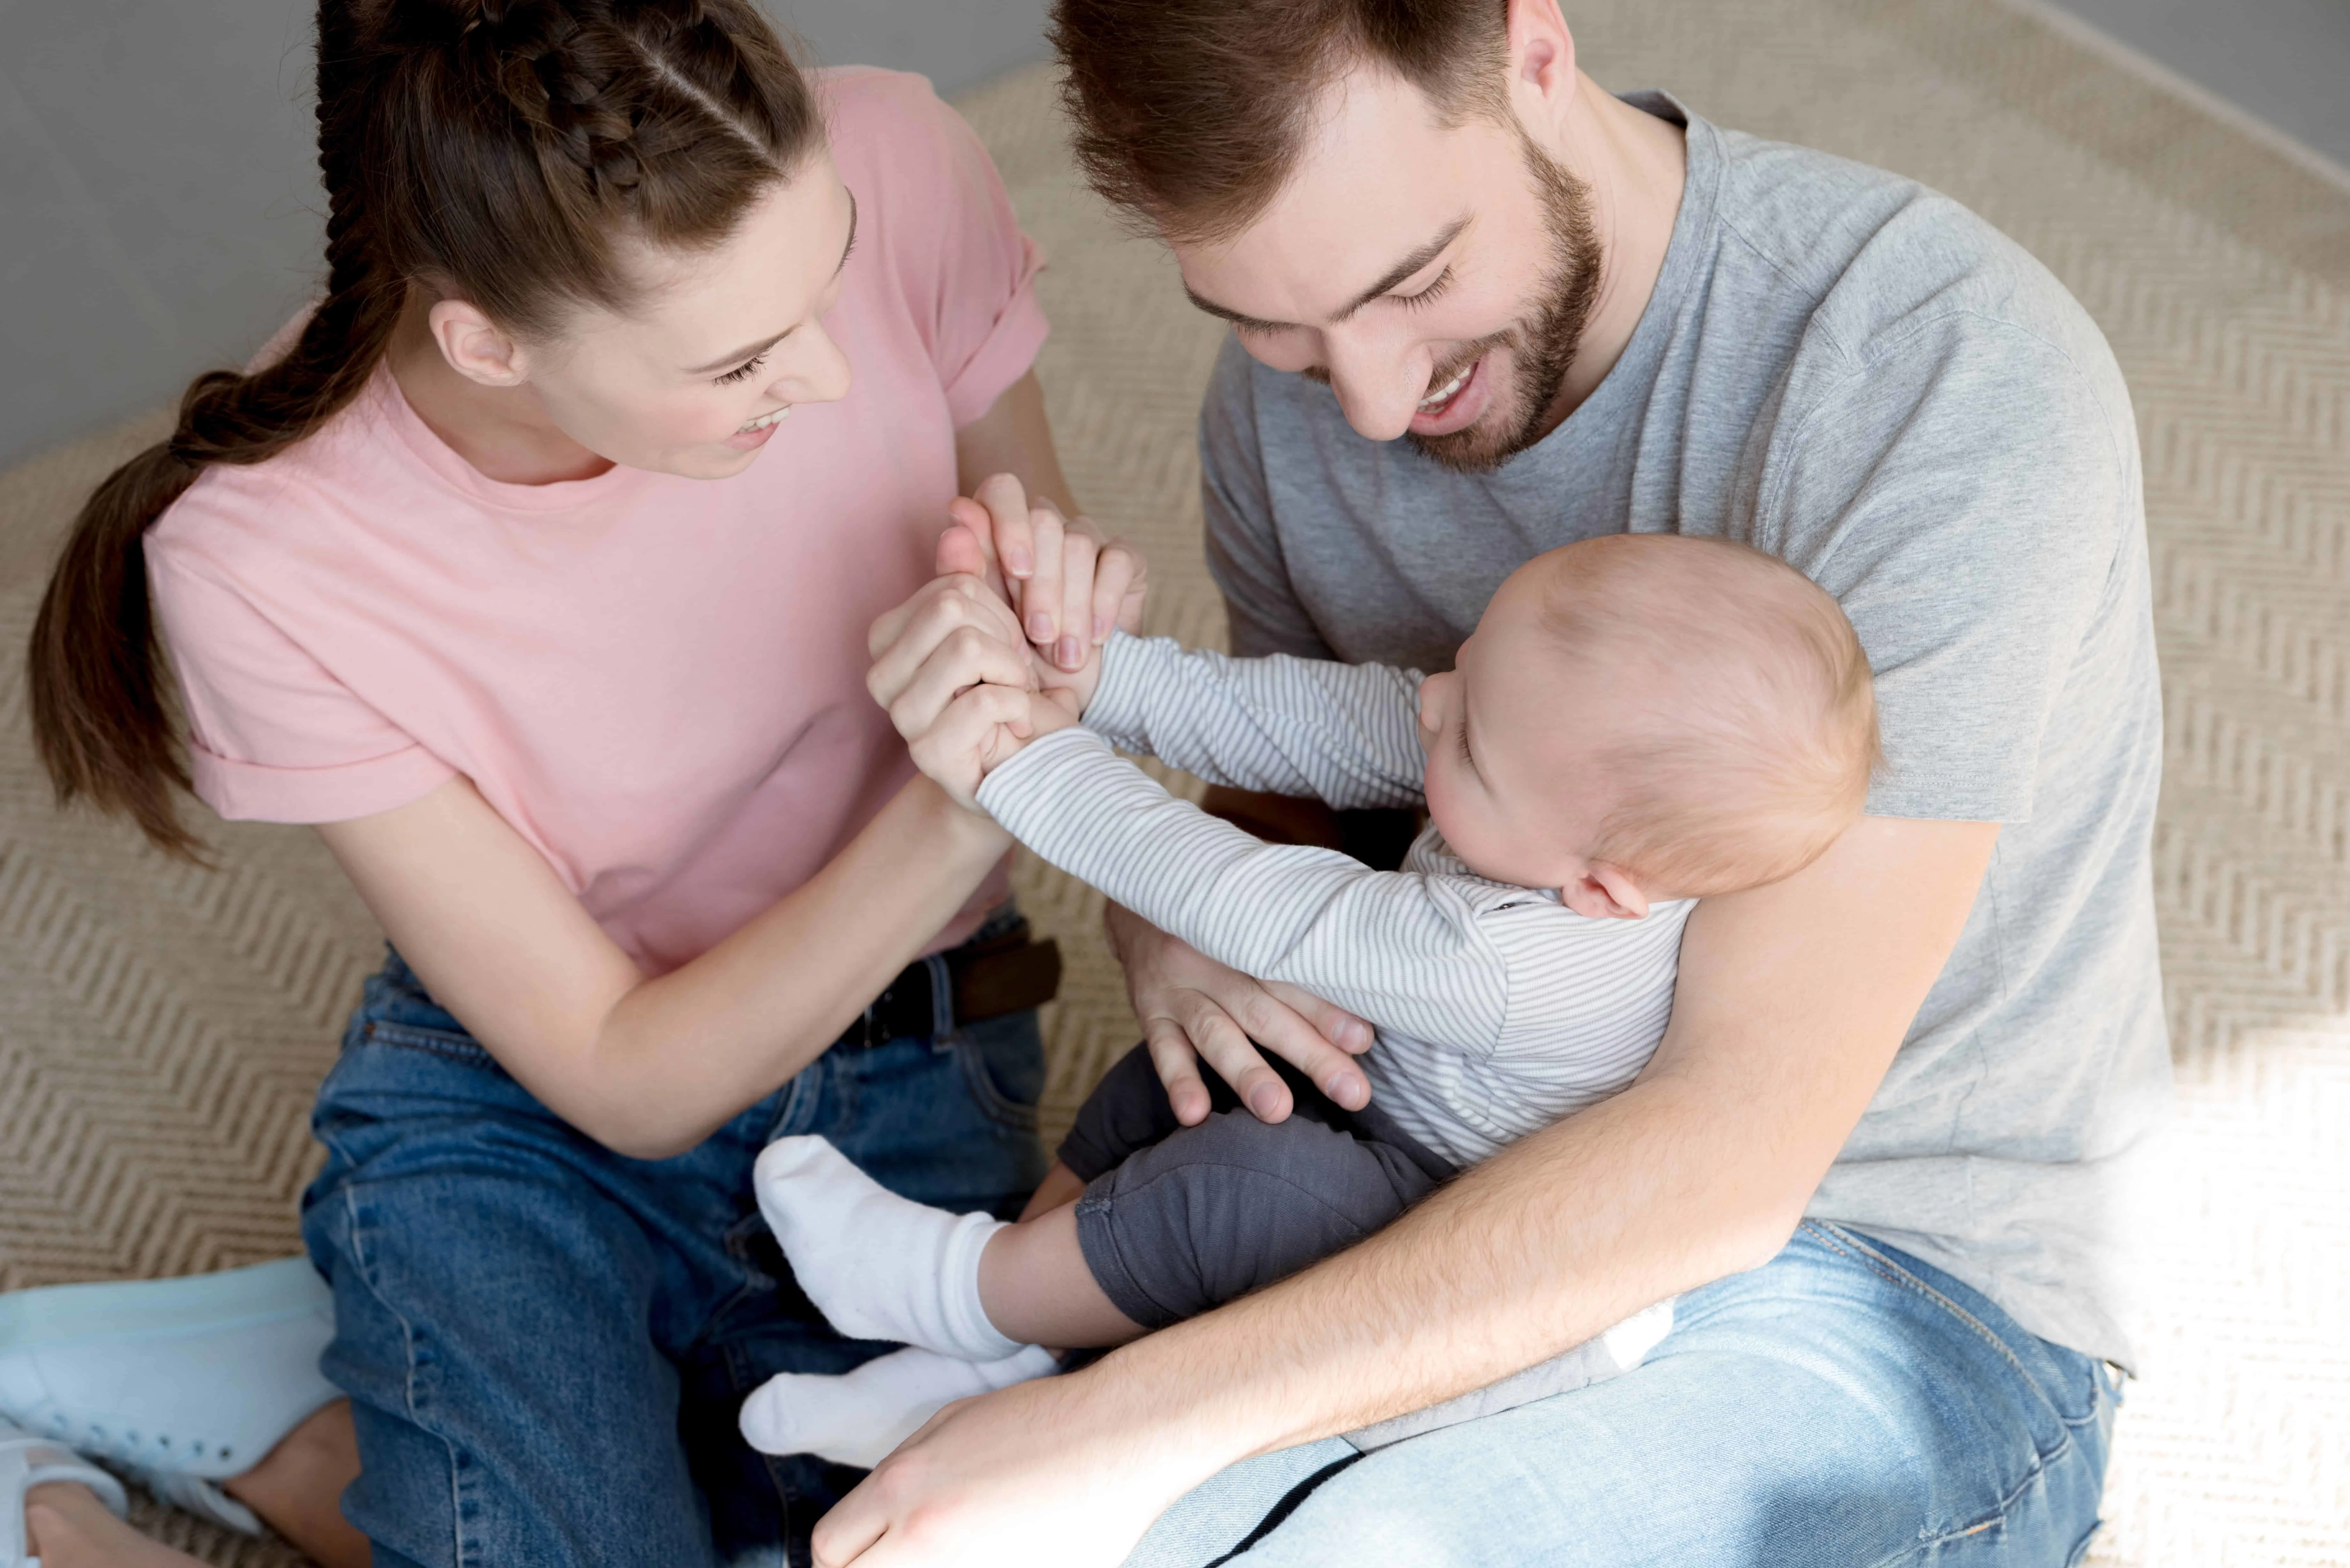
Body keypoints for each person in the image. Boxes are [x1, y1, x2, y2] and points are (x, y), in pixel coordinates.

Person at [809, 0, 2167, 1563]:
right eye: (1270, 324)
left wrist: (1110, 1421)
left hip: (1871, 1261)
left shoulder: (1936, 382)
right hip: (1423, 1163)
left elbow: (1722, 1155)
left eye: (1413, 284)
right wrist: (1157, 911)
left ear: (1533, 51)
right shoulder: (1288, 404)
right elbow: (1296, 824)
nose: (1373, 405)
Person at [0, 2, 1158, 1564]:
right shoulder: (259, 555)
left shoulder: (896, 149)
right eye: (740, 357)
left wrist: (1057, 660)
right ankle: (73, 1523)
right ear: (488, 340)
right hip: (533, 1107)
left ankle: (333, 1420)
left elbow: (1059, 635)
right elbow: (621, 1072)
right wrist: (958, 800)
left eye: (832, 276)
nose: (824, 373)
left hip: (915, 1055)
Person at [740, 532, 1880, 1466]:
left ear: (1599, 889)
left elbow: (1258, 902)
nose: (1432, 702)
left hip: (1438, 1216)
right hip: (1377, 1095)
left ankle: (957, 1291)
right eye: (1466, 662)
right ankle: (988, 1360)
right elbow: (1309, 724)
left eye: (1468, 739)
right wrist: (1103, 683)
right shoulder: (1524, 760)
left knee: (1243, 1182)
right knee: (1196, 1063)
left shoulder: (1514, 961)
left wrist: (1025, 762)